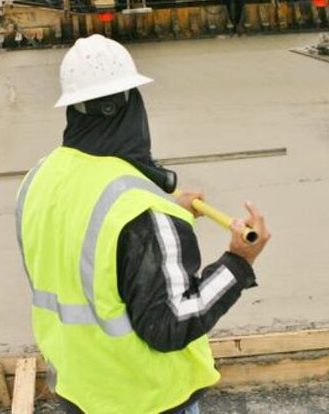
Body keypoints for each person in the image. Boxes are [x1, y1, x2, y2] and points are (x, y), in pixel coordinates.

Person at [16, 34, 271, 414]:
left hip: (79, 391)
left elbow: (91, 250)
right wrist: (239, 261)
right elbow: (170, 324)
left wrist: (168, 215)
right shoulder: (140, 210)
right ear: (128, 103)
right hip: (146, 399)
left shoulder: (37, 180)